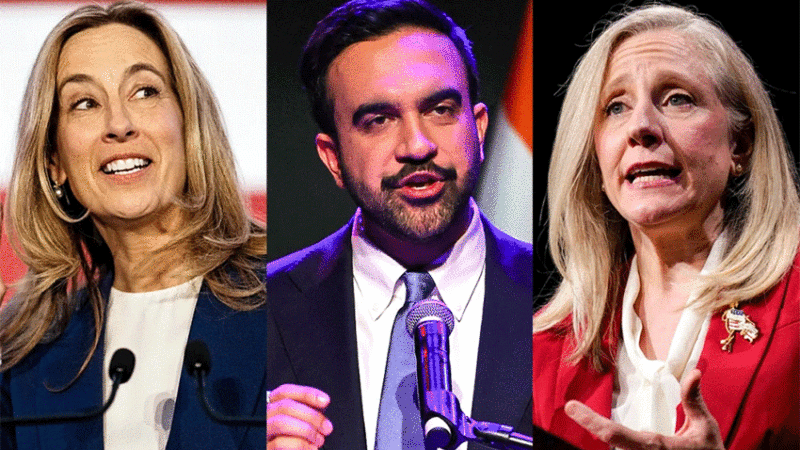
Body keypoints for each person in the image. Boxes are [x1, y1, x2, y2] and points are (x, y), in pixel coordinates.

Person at [266, 0, 533, 448]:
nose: (417, 145)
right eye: (379, 120)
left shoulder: (556, 299)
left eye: (440, 109)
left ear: (479, 128)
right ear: (333, 159)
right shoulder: (264, 309)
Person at [532, 4, 799, 450]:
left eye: (677, 98)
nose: (641, 127)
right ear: (596, 158)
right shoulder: (540, 352)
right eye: (615, 107)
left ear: (742, 145)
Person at [0, 2, 266, 449]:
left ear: (187, 125)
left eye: (144, 92)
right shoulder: (24, 360)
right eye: (84, 103)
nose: (119, 125)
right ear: (55, 163)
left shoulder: (286, 297)